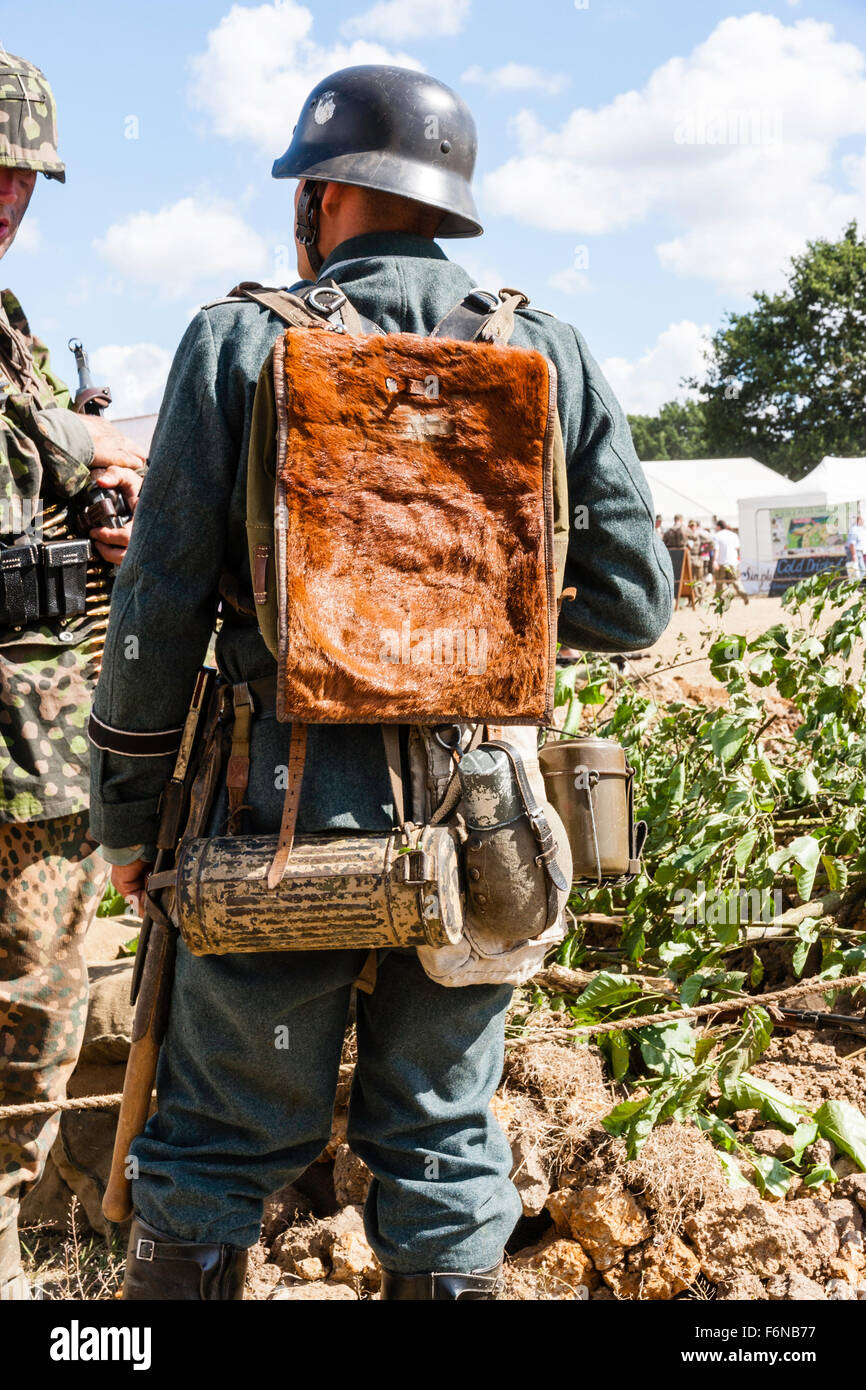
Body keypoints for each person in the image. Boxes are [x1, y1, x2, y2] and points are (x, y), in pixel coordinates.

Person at [89, 64, 673, 1301]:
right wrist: (472, 625)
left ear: (319, 196)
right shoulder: (544, 347)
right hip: (483, 831)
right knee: (444, 1139)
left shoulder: (239, 341)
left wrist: (130, 825)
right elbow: (631, 601)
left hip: (272, 823)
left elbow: (155, 616)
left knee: (214, 1139)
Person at [0, 50, 145, 1299]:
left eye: (24, 178)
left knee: (36, 1011)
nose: (10, 197)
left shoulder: (12, 331)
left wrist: (84, 526)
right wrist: (77, 442)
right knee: (26, 1003)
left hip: (32, 742)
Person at [712, 519, 749, 605]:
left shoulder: (717, 536)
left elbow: (716, 550)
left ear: (718, 527)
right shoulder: (734, 535)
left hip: (721, 563)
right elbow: (737, 548)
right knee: (736, 581)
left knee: (719, 583)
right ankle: (744, 594)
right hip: (733, 563)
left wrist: (714, 561)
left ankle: (719, 600)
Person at [846, 512, 866, 579]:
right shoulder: (854, 529)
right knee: (857, 569)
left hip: (858, 551)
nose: (863, 521)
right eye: (862, 520)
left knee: (860, 569)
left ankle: (856, 581)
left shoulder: (860, 529)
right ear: (858, 520)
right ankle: (856, 582)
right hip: (855, 551)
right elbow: (852, 543)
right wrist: (854, 555)